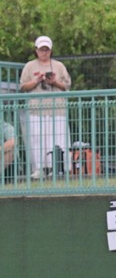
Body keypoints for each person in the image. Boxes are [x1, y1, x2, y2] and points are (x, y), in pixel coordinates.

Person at [18, 35, 72, 179]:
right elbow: (23, 86)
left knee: (58, 138)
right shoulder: (29, 66)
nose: (44, 52)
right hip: (36, 110)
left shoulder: (59, 66)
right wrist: (36, 81)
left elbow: (66, 86)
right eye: (41, 50)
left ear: (51, 50)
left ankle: (59, 167)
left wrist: (54, 82)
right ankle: (39, 168)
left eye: (46, 50)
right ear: (36, 50)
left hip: (57, 109)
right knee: (37, 139)